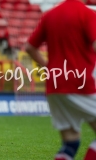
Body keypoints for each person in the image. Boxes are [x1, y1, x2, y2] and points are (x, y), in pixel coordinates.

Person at [25, 0, 96, 159]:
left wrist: (48, 68)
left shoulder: (50, 15)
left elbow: (29, 47)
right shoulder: (87, 14)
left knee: (70, 143)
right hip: (80, 83)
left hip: (55, 86)